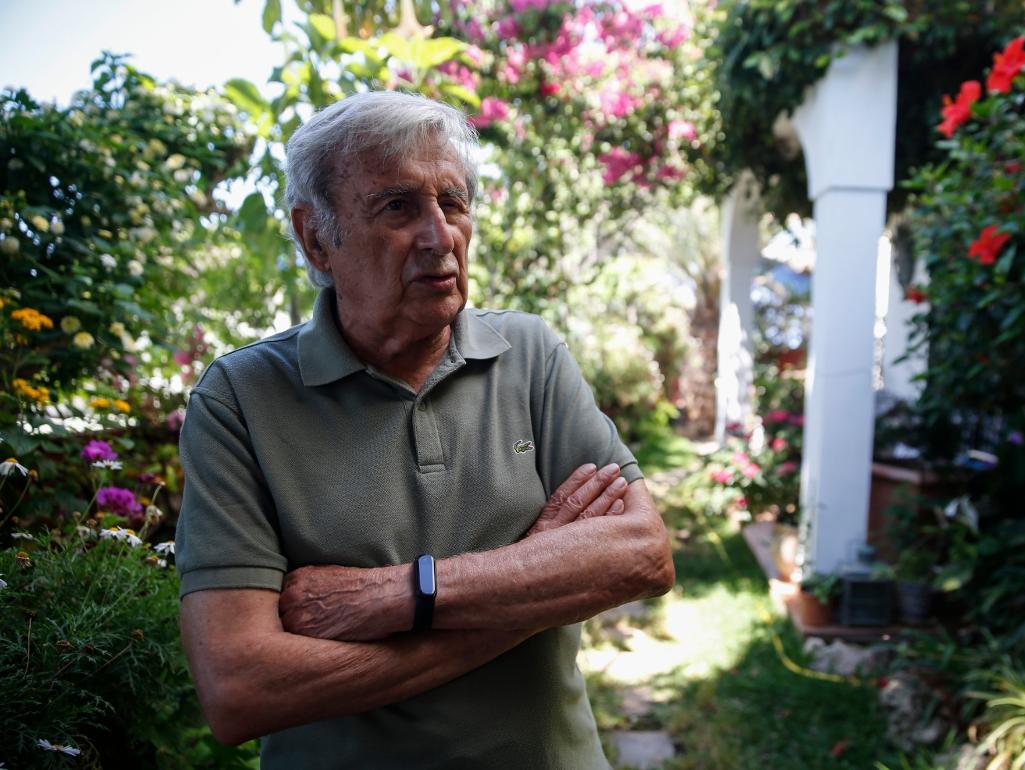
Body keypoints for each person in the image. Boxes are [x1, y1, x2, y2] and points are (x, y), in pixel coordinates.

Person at [174, 91, 675, 769]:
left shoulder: (528, 355)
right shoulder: (240, 399)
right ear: (316, 238)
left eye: (454, 202)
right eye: (398, 207)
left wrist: (403, 595)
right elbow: (240, 689)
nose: (441, 237)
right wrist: (532, 590)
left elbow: (642, 554)